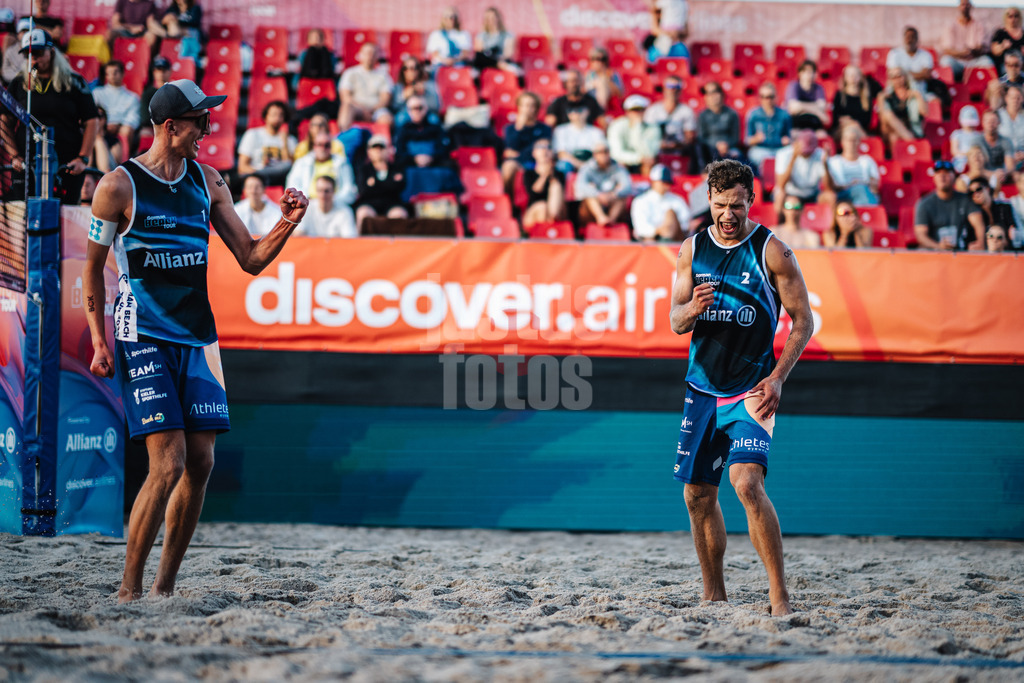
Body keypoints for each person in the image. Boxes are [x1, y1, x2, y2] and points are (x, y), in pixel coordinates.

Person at [82, 78, 309, 602]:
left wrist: (287, 223)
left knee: (202, 463)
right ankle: (128, 591)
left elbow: (250, 258)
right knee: (169, 463)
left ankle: (163, 590)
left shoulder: (208, 182)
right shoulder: (117, 186)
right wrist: (99, 338)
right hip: (140, 330)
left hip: (197, 333)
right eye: (200, 120)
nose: (209, 128)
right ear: (171, 127)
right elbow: (94, 271)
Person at [669, 158, 813, 617]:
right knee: (697, 495)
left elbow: (803, 322)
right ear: (708, 201)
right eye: (719, 205)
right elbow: (675, 321)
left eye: (736, 205)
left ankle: (779, 597)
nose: (727, 214)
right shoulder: (692, 249)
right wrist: (691, 308)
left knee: (748, 485)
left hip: (753, 390)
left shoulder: (772, 251)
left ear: (751, 200)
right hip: (703, 389)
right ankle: (714, 595)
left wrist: (777, 377)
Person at [0, 29, 99, 204]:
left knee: (65, 214)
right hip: (26, 163)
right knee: (24, 216)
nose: (34, 58)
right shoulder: (19, 82)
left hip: (66, 165)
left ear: (51, 52)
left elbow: (91, 120)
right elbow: (5, 122)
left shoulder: (74, 81)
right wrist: (14, 155)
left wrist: (83, 158)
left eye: (38, 53)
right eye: (28, 54)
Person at [914, 159, 985, 250]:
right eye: (938, 173)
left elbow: (978, 223)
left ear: (954, 177)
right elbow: (921, 235)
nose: (942, 176)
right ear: (934, 177)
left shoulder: (965, 200)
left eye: (947, 172)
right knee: (921, 250)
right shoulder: (924, 204)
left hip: (961, 251)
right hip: (934, 252)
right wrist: (938, 246)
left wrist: (980, 243)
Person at [285, 131, 357, 209]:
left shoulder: (342, 163)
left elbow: (349, 190)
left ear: (331, 147)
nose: (323, 148)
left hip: (336, 206)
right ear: (314, 146)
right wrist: (306, 200)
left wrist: (331, 201)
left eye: (327, 145)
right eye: (320, 144)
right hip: (307, 206)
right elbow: (292, 186)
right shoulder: (302, 162)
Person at [237, 100, 297, 188]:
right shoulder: (253, 134)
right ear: (266, 116)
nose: (277, 118)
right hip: (257, 177)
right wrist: (259, 174)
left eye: (280, 115)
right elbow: (242, 167)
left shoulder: (290, 140)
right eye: (273, 114)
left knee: (288, 166)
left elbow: (290, 168)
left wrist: (284, 143)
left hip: (280, 179)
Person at [354, 134, 408, 231]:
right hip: (369, 203)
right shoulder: (363, 169)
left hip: (392, 203)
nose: (378, 151)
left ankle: (398, 245)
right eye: (374, 148)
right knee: (363, 214)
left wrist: (375, 184)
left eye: (381, 148)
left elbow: (400, 187)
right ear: (369, 152)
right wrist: (389, 183)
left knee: (399, 215)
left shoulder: (397, 167)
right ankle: (362, 243)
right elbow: (363, 190)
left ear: (388, 150)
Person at [501, 91, 552, 192]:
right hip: (519, 163)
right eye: (524, 105)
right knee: (508, 166)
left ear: (536, 109)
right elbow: (511, 147)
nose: (527, 109)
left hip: (537, 163)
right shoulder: (510, 129)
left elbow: (542, 150)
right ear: (519, 107)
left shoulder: (544, 128)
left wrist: (518, 154)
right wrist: (519, 127)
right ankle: (508, 202)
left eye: (531, 106)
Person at [644, 75, 699, 168]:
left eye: (676, 87)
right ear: (664, 89)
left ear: (680, 90)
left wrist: (678, 144)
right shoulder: (653, 110)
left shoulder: (686, 111)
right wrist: (659, 144)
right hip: (656, 152)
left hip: (679, 152)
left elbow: (690, 137)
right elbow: (645, 134)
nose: (673, 90)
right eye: (670, 86)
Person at [574, 140, 632, 226]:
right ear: (594, 155)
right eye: (600, 152)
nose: (604, 155)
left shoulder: (618, 168)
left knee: (622, 197)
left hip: (611, 202)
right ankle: (601, 218)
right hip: (592, 208)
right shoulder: (587, 168)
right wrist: (598, 194)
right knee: (589, 196)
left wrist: (613, 194)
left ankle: (611, 221)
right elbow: (580, 186)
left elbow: (628, 186)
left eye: (606, 151)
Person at [337, 42, 393, 132]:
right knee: (346, 107)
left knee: (386, 119)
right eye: (367, 53)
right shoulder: (350, 73)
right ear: (360, 55)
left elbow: (385, 99)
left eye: (373, 53)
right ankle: (343, 139)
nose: (370, 56)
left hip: (376, 111)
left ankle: (383, 144)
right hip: (356, 108)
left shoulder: (384, 76)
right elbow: (346, 97)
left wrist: (371, 110)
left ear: (377, 56)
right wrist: (363, 110)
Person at [772, 129, 827, 217]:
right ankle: (778, 225)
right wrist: (793, 158)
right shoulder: (783, 154)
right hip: (791, 193)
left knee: (829, 196)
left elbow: (828, 187)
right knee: (780, 194)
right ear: (796, 144)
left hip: (812, 194)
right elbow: (781, 184)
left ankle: (827, 227)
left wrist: (825, 165)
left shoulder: (821, 154)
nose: (806, 154)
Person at [92, 60, 141, 160]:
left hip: (121, 129)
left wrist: (118, 126)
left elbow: (134, 119)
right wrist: (105, 125)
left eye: (115, 72)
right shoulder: (97, 93)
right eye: (108, 73)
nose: (112, 76)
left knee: (127, 129)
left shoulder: (132, 97)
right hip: (101, 128)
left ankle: (124, 162)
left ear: (123, 73)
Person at [630, 163, 689, 241]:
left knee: (670, 213)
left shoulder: (677, 200)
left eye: (668, 183)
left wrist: (669, 227)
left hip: (675, 238)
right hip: (650, 239)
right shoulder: (641, 201)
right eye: (663, 182)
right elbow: (640, 227)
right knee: (649, 239)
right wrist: (659, 230)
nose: (666, 186)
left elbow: (686, 224)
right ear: (654, 182)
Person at [824, 124, 880, 206]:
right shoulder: (834, 161)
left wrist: (861, 183)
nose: (851, 143)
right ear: (842, 141)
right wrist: (825, 166)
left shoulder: (868, 161)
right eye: (848, 140)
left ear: (859, 142)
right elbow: (830, 188)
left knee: (861, 190)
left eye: (854, 140)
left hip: (864, 192)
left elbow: (875, 186)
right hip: (842, 195)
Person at [940, 0, 994, 82]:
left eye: (967, 4)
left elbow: (981, 47)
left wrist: (971, 51)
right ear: (958, 7)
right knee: (945, 61)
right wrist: (961, 53)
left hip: (974, 60)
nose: (965, 7)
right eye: (963, 4)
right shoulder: (951, 25)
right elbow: (947, 49)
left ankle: (989, 91)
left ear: (971, 7)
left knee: (987, 61)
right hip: (957, 61)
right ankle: (948, 90)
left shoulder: (979, 25)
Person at [745, 82, 792, 176]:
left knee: (789, 154)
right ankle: (765, 183)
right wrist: (756, 139)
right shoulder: (753, 115)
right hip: (761, 149)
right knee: (760, 156)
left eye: (770, 96)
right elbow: (747, 140)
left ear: (776, 97)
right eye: (763, 96)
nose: (767, 100)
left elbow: (788, 138)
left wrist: (787, 141)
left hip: (779, 148)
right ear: (760, 98)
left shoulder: (784, 115)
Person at [606, 94, 661, 175]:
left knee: (648, 164)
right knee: (621, 164)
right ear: (627, 111)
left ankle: (646, 185)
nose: (637, 113)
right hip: (625, 162)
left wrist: (637, 127)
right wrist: (638, 158)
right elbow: (616, 153)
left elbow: (649, 153)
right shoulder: (617, 125)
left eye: (640, 110)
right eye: (633, 110)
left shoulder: (653, 128)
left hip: (642, 162)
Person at [393, 96, 450, 170]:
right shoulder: (404, 130)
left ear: (426, 109)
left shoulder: (435, 128)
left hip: (434, 164)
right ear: (408, 111)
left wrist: (431, 158)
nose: (417, 111)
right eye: (413, 108)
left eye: (420, 108)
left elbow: (443, 148)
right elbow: (400, 151)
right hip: (410, 166)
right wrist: (414, 159)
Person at [520, 139, 566, 228]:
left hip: (555, 213)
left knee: (556, 187)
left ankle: (549, 225)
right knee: (542, 207)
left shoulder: (559, 174)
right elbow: (534, 193)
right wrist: (544, 175)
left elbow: (560, 199)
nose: (545, 150)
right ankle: (547, 229)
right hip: (534, 213)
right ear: (534, 153)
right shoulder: (528, 173)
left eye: (548, 147)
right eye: (540, 147)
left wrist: (551, 172)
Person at [877, 67, 926, 151]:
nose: (897, 79)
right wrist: (881, 100)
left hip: (911, 128)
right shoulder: (887, 96)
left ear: (905, 76)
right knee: (888, 114)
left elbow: (924, 113)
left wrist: (918, 96)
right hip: (890, 129)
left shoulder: (913, 93)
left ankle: (901, 161)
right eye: (893, 77)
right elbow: (883, 123)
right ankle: (911, 141)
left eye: (899, 76)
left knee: (894, 137)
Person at [552, 104, 606, 175]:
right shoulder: (560, 130)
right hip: (570, 163)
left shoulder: (596, 131)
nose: (576, 113)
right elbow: (561, 154)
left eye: (580, 110)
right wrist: (580, 165)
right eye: (571, 111)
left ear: (587, 112)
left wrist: (587, 165)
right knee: (563, 165)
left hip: (591, 162)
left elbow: (601, 152)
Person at [696, 81, 742, 162]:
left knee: (737, 155)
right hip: (709, 149)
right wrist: (716, 145)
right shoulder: (702, 115)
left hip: (729, 148)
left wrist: (726, 145)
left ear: (722, 94)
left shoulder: (732, 114)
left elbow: (735, 137)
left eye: (715, 92)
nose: (712, 96)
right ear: (705, 97)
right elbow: (701, 138)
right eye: (708, 93)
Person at [390, 57, 441, 127]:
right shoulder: (398, 87)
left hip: (425, 113)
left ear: (419, 70)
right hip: (406, 114)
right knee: (400, 119)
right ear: (402, 71)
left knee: (434, 120)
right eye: (406, 68)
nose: (410, 71)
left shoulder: (428, 85)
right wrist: (404, 96)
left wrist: (426, 93)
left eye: (414, 68)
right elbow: (394, 108)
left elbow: (436, 107)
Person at [831, 66, 875, 139]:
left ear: (860, 77)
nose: (852, 77)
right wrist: (853, 123)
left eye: (855, 75)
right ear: (845, 77)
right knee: (851, 130)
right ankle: (867, 143)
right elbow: (836, 119)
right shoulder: (839, 95)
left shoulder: (866, 97)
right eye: (850, 75)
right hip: (841, 131)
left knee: (853, 129)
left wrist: (851, 122)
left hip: (859, 130)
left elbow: (867, 121)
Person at [784, 60, 829, 132]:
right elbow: (794, 108)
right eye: (807, 72)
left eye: (813, 72)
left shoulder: (819, 88)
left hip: (814, 124)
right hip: (796, 124)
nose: (810, 75)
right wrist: (817, 111)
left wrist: (802, 108)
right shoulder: (793, 86)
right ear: (800, 73)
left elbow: (822, 106)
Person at [474, 7, 515, 72]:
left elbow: (508, 54)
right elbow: (479, 52)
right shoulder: (481, 35)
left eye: (492, 18)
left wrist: (497, 59)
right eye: (487, 19)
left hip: (501, 61)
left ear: (498, 18)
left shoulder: (507, 35)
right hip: (485, 63)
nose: (490, 21)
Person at [950, 105, 984, 172]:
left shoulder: (980, 135)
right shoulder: (957, 134)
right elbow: (954, 151)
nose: (970, 126)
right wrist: (967, 155)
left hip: (976, 161)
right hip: (961, 161)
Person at [991, 7, 1024, 76]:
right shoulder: (1000, 33)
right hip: (1006, 66)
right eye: (1010, 16)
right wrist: (1003, 46)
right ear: (1006, 18)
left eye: (1016, 16)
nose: (1013, 19)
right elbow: (994, 51)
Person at [998, 85, 1024, 161]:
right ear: (1006, 98)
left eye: (1018, 97)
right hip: (1002, 157)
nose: (1015, 100)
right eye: (1012, 97)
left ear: (1022, 99)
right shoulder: (998, 115)